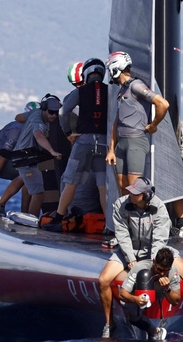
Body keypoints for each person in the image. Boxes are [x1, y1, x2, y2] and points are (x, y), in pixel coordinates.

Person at [98, 177, 183, 340]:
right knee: (103, 280)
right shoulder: (121, 204)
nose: (131, 194)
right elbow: (122, 234)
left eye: (135, 193)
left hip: (155, 253)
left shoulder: (159, 207)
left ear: (146, 195)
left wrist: (152, 263)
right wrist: (130, 258)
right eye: (130, 191)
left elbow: (160, 238)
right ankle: (109, 324)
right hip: (128, 251)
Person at [42, 58, 108, 232]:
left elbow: (64, 112)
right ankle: (110, 225)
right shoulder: (110, 91)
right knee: (103, 186)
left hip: (83, 141)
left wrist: (68, 133)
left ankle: (58, 218)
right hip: (103, 143)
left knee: (70, 181)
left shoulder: (81, 91)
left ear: (86, 74)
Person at [104, 51, 169, 195]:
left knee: (135, 189)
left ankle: (140, 216)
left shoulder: (135, 85)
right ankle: (126, 217)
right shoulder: (122, 89)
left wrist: (153, 125)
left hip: (136, 142)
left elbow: (163, 104)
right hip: (121, 144)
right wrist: (111, 150)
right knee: (122, 186)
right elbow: (117, 121)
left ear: (116, 67)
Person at [5, 94, 62, 218]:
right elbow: (38, 135)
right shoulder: (38, 121)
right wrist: (52, 151)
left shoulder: (34, 113)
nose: (54, 116)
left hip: (23, 156)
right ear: (45, 109)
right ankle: (31, 221)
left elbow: (18, 117)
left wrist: (28, 123)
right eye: (51, 112)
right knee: (38, 194)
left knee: (28, 185)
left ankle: (6, 206)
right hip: (26, 158)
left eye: (56, 113)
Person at [0, 101, 40, 215]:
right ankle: (0, 205)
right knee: (27, 174)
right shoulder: (16, 131)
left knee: (31, 174)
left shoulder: (36, 128)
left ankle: (25, 214)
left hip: (15, 160)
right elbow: (1, 158)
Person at [119, 247, 180, 341]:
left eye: (166, 270)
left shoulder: (173, 272)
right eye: (159, 269)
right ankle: (154, 331)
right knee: (133, 318)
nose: (162, 274)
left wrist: (167, 289)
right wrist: (135, 299)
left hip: (159, 294)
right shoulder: (139, 267)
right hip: (137, 294)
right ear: (154, 261)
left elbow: (175, 301)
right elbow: (122, 294)